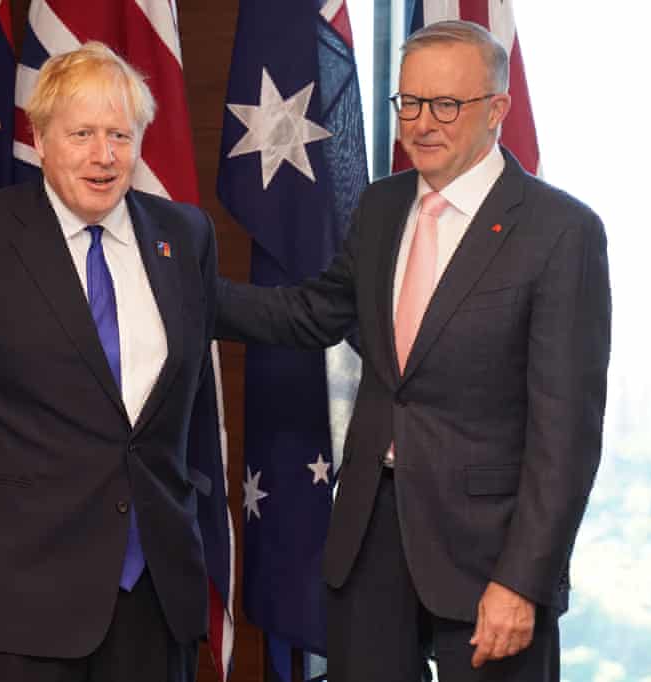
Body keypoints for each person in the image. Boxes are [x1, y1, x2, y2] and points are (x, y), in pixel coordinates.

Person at [216, 20, 610, 682]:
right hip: (370, 538)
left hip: (488, 555)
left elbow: (564, 437)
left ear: (496, 111)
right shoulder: (381, 206)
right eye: (410, 103)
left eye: (445, 105)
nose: (421, 123)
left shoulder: (561, 232)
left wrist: (524, 580)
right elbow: (313, 311)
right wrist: (178, 289)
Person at [0, 41, 217, 682]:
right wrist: (9, 487)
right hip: (15, 597)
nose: (104, 155)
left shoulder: (183, 235)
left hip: (151, 596)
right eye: (83, 133)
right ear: (39, 136)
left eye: (120, 134)